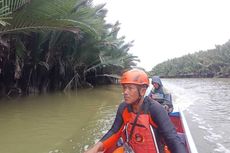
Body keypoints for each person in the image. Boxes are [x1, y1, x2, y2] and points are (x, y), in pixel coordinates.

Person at [84, 69, 186, 153]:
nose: (125, 92)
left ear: (142, 91)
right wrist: (96, 147)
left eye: (130, 88)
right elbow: (114, 131)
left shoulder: (155, 109)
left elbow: (172, 139)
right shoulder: (123, 108)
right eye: (124, 88)